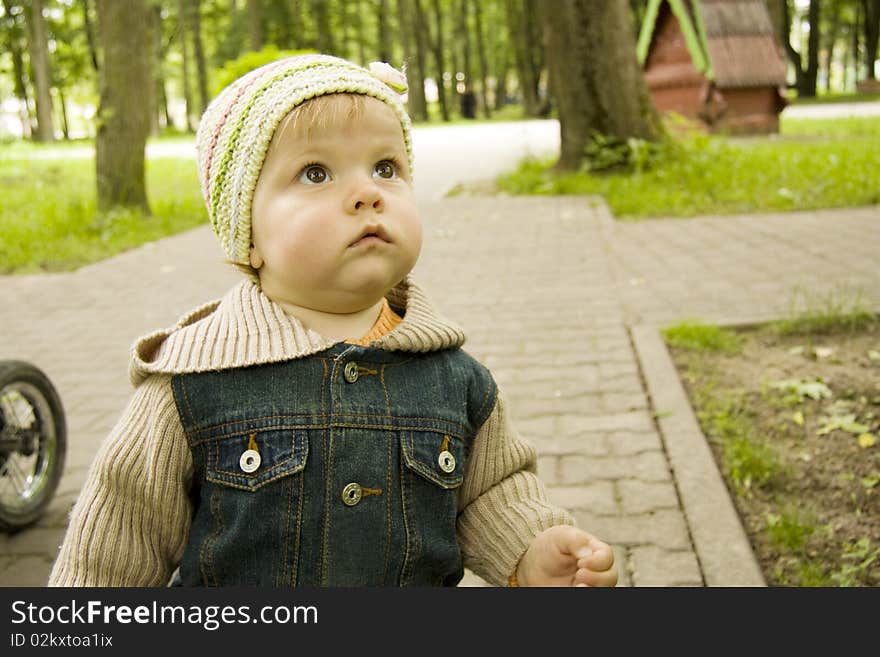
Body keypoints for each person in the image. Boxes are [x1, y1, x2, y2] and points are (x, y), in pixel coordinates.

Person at [48, 54, 618, 588]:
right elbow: (116, 541)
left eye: (386, 167)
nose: (367, 193)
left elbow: (492, 491)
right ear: (247, 236)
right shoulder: (192, 383)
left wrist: (530, 550)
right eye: (316, 173)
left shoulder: (456, 378)